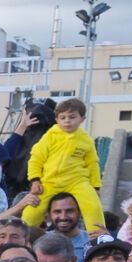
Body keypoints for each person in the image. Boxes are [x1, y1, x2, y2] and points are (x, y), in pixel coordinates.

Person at [21, 97, 104, 233]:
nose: (67, 121)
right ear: (57, 119)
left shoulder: (86, 140)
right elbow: (36, 158)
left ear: (82, 119)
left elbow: (92, 164)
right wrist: (35, 180)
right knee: (32, 211)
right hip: (50, 182)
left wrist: (96, 186)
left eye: (72, 117)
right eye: (63, 117)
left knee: (93, 207)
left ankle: (99, 238)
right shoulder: (50, 136)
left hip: (77, 181)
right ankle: (22, 236)